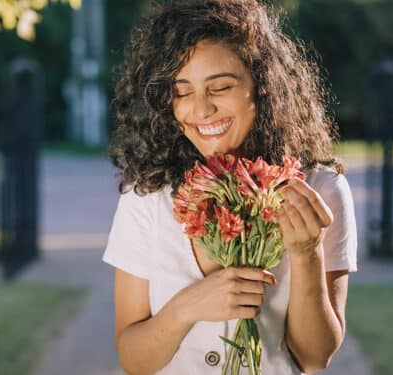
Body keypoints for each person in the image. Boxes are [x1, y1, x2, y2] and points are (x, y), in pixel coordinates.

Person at [102, 0, 358, 374]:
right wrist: (187, 306)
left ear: (263, 87)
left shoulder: (320, 187)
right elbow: (133, 360)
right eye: (182, 91)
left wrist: (307, 253)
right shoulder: (147, 196)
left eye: (220, 87)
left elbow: (315, 357)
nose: (201, 111)